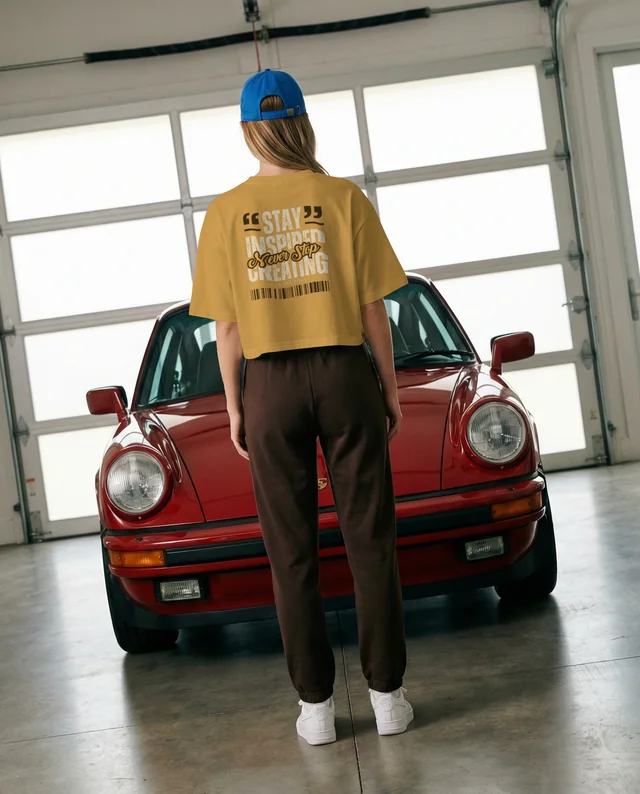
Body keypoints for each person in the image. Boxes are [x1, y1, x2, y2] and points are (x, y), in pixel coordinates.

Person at [190, 69, 412, 746]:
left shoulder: (226, 214)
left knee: (290, 549)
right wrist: (389, 388)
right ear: (303, 122)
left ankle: (315, 710)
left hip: (270, 386)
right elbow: (375, 308)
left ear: (247, 129)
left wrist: (235, 405)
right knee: (369, 538)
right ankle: (386, 699)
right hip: (344, 371)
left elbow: (227, 329)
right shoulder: (343, 199)